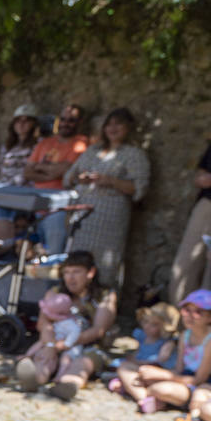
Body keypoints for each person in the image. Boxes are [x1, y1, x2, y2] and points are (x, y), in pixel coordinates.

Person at [63, 107, 151, 290]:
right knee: (78, 260)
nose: (113, 128)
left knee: (104, 265)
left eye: (118, 124)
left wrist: (109, 181)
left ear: (128, 128)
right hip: (82, 216)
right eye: (109, 124)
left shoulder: (134, 155)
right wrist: (81, 179)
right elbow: (69, 177)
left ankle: (101, 306)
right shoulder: (92, 151)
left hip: (109, 217)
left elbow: (139, 188)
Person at [13, 251, 116, 398]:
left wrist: (63, 345)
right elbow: (43, 323)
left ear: (90, 272)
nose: (70, 278)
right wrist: (50, 345)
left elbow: (98, 330)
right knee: (44, 358)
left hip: (89, 346)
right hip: (54, 341)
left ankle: (67, 385)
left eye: (76, 272)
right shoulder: (55, 293)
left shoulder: (104, 295)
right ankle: (34, 379)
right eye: (67, 272)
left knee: (82, 364)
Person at [132, 290, 211, 414]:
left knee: (161, 389)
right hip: (186, 378)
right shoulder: (185, 335)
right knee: (136, 372)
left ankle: (149, 397)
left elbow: (199, 380)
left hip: (210, 384)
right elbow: (179, 370)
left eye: (198, 312)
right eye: (187, 310)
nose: (190, 316)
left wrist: (163, 375)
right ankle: (155, 399)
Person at [168, 131, 211, 303]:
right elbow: (200, 174)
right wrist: (202, 179)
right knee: (186, 265)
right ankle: (180, 320)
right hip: (207, 207)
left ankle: (210, 325)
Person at [25, 103, 89, 253]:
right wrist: (52, 171)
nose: (66, 123)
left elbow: (66, 170)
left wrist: (40, 167)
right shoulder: (45, 143)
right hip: (37, 206)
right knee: (32, 253)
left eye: (71, 120)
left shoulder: (81, 143)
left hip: (60, 208)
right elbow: (27, 172)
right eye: (63, 119)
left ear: (79, 123)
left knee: (54, 254)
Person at [107, 302, 179, 403]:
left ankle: (140, 395)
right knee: (120, 365)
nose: (147, 326)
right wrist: (133, 358)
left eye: (154, 325)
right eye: (146, 322)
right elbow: (139, 352)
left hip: (155, 370)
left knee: (125, 368)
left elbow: (159, 362)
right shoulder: (142, 336)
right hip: (139, 366)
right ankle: (129, 385)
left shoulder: (167, 343)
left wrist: (137, 362)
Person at [0, 105, 41, 243]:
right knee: (5, 240)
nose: (22, 124)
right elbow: (2, 167)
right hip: (5, 193)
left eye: (26, 120)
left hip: (26, 196)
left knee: (23, 239)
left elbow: (35, 169)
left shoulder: (39, 144)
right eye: (18, 120)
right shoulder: (8, 145)